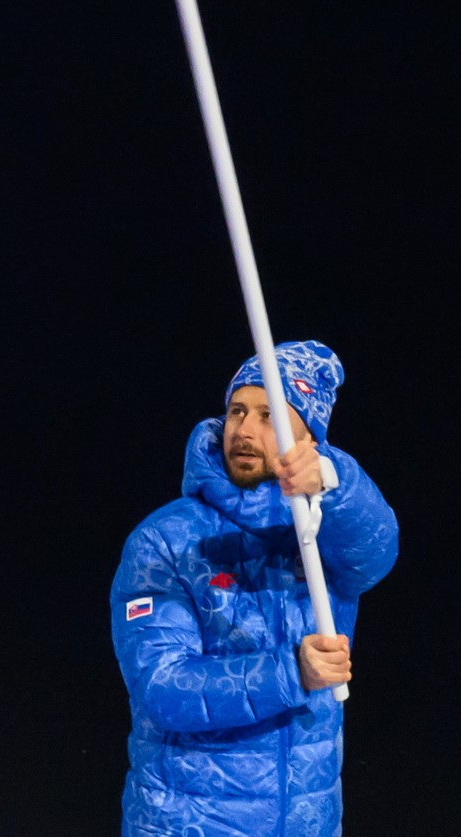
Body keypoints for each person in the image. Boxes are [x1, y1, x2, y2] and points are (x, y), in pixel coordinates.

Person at [110, 340, 398, 836]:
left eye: (270, 416)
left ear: (307, 438)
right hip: (190, 822)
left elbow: (375, 548)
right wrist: (292, 671)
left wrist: (333, 477)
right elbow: (162, 686)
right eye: (237, 411)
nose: (244, 429)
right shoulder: (165, 540)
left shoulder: (320, 533)